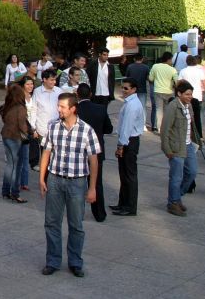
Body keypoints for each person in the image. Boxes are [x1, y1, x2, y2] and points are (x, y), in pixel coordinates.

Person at [39, 93, 101, 278]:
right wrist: (42, 178)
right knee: (51, 223)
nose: (59, 109)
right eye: (58, 106)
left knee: (76, 225)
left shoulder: (86, 130)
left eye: (62, 107)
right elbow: (46, 152)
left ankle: (75, 262)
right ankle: (53, 261)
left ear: (73, 109)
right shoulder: (53, 127)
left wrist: (92, 187)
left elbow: (94, 161)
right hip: (55, 180)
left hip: (77, 182)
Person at [160, 80, 201, 217]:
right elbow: (165, 129)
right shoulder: (172, 107)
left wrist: (197, 140)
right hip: (176, 147)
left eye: (191, 94)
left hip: (188, 145)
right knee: (176, 177)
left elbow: (192, 125)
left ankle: (177, 197)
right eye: (187, 94)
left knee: (192, 172)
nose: (190, 97)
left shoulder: (189, 106)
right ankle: (173, 203)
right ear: (179, 94)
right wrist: (167, 150)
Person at [76, 83, 113, 222]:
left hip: (79, 150)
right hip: (96, 150)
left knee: (78, 183)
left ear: (77, 95)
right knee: (96, 182)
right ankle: (99, 214)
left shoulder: (75, 110)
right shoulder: (101, 109)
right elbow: (109, 129)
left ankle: (78, 213)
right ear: (91, 94)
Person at [111, 77, 144, 216]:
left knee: (129, 175)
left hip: (129, 141)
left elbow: (127, 127)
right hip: (127, 140)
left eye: (126, 88)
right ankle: (123, 203)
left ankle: (130, 206)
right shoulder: (130, 102)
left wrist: (121, 145)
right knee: (124, 174)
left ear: (133, 89)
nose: (123, 90)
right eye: (122, 87)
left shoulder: (132, 105)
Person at [0, 84, 30, 203]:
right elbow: (22, 125)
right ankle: (15, 193)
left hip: (6, 135)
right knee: (16, 166)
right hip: (16, 137)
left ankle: (5, 191)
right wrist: (29, 134)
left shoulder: (7, 106)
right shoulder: (20, 108)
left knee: (10, 165)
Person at [30, 69, 63, 159]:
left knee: (56, 154)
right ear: (44, 79)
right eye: (51, 80)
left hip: (57, 129)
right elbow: (33, 110)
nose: (54, 82)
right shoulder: (37, 91)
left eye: (55, 80)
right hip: (42, 129)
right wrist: (33, 128)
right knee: (45, 154)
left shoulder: (59, 91)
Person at [178, 55, 205, 138]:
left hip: (186, 97)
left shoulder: (183, 71)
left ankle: (187, 133)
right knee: (197, 116)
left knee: (186, 115)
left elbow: (178, 83)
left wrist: (178, 95)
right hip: (197, 96)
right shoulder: (199, 71)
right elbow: (204, 84)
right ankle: (199, 135)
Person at [17, 77, 40, 188]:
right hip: (22, 130)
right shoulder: (19, 98)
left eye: (32, 84)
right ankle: (16, 182)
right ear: (23, 86)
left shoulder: (34, 96)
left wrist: (34, 128)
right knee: (20, 158)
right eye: (28, 84)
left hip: (32, 129)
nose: (30, 86)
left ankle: (24, 183)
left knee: (26, 157)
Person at [148, 52, 177, 133]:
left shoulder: (155, 66)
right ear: (169, 59)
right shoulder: (173, 70)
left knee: (159, 110)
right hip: (169, 92)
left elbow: (150, 79)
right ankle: (167, 127)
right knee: (167, 110)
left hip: (158, 91)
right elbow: (177, 82)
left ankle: (160, 128)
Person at [125, 53, 150, 131]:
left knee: (130, 106)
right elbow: (148, 78)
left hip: (131, 90)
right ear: (142, 59)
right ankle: (143, 125)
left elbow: (127, 78)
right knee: (142, 108)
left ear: (134, 59)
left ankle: (131, 123)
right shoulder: (146, 67)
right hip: (142, 89)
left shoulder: (130, 67)